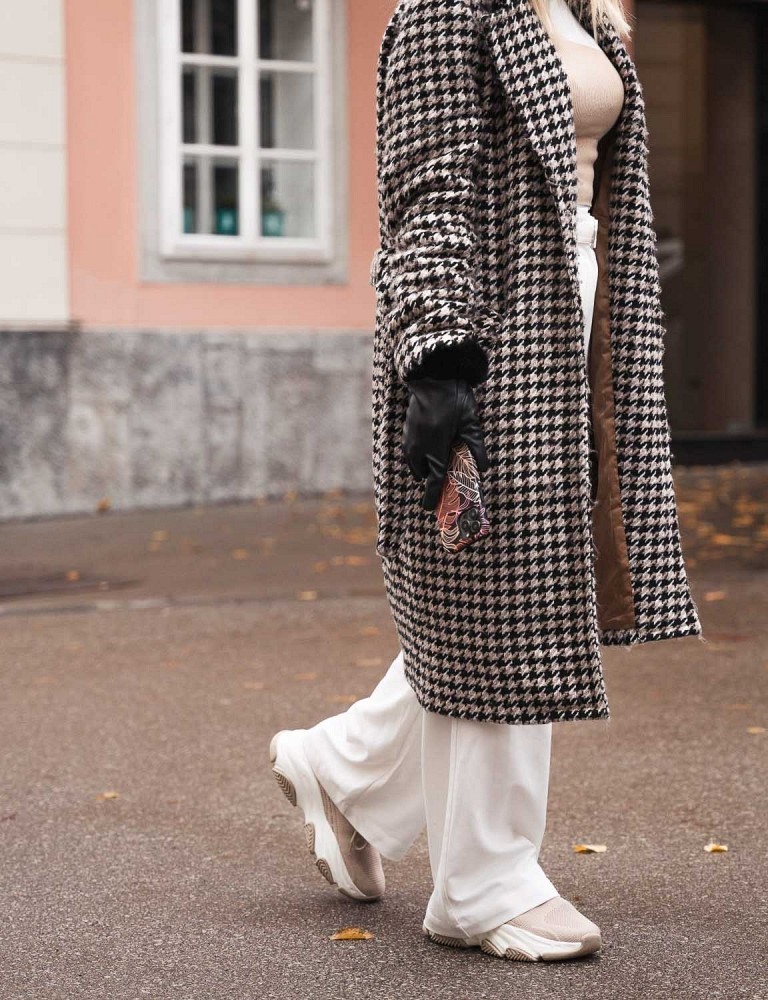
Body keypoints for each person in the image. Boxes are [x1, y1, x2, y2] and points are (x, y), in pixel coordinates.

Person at [269, 0, 703, 963]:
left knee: (495, 601)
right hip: (492, 326)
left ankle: (342, 767)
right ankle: (483, 885)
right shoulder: (446, 9)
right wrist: (438, 358)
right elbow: (425, 197)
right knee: (512, 593)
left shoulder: (584, 11)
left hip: (577, 305)